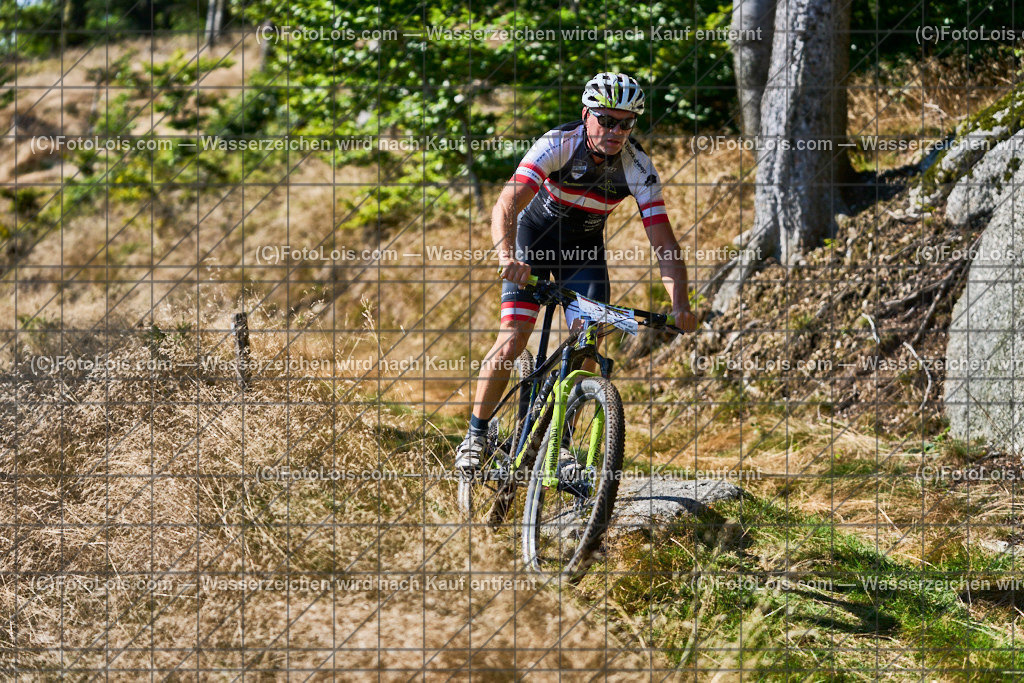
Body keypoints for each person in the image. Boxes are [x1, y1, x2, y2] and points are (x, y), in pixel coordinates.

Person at [455, 72, 699, 471]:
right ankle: (476, 437)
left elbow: (664, 244)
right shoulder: (558, 144)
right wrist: (506, 258)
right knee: (513, 338)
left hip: (582, 253)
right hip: (532, 243)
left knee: (588, 344)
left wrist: (680, 304)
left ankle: (558, 443)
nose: (616, 130)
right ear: (586, 116)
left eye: (626, 122)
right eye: (606, 119)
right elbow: (506, 205)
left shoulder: (639, 168)